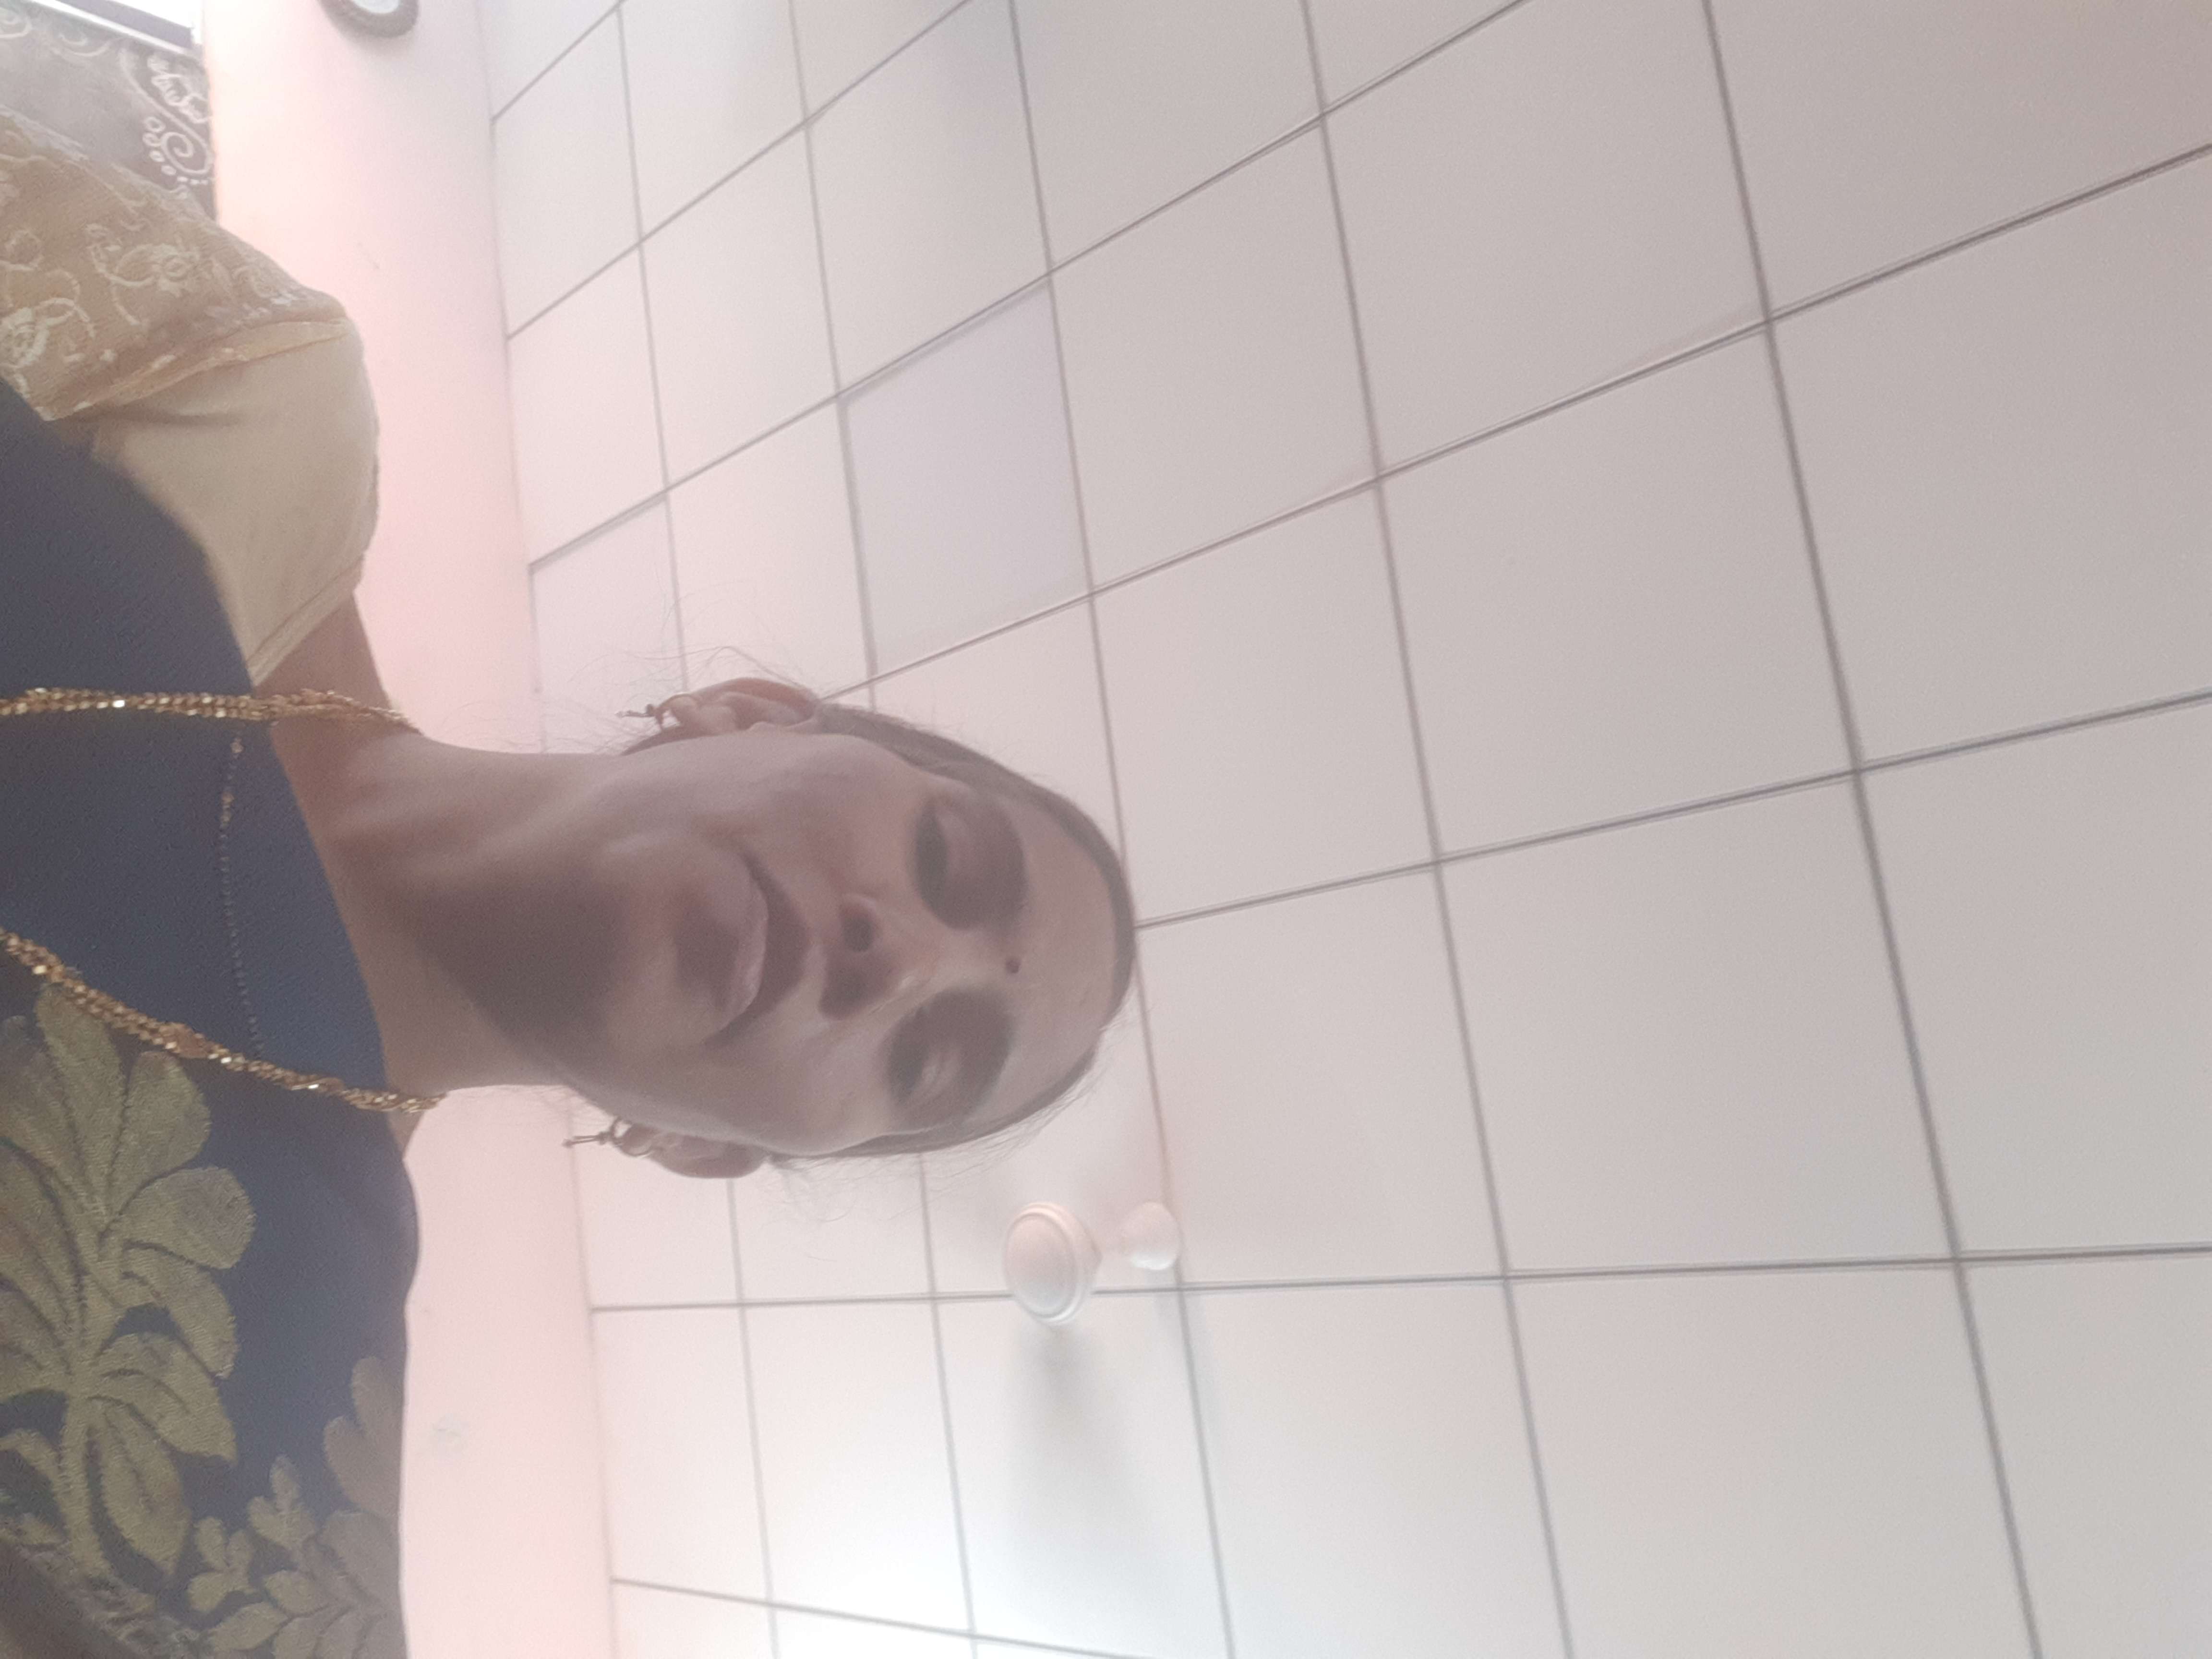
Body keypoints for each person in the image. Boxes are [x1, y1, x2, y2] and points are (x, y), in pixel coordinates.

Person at [0, 154, 1134, 1659]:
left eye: (927, 1060)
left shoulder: (263, 1463)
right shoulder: (250, 401)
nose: (900, 965)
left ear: (706, 1148)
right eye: (947, 860)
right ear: (749, 711)